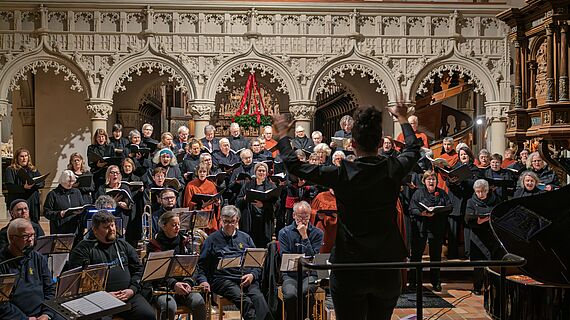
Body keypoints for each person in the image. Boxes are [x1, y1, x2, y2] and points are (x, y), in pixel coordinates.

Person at [273, 102, 421, 320]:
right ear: (381, 142)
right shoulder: (393, 168)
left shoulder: (342, 173)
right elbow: (413, 149)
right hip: (386, 265)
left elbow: (296, 167)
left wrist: (284, 136)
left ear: (351, 144)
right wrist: (402, 119)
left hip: (350, 266)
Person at [68, 210, 156, 320]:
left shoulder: (123, 245)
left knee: (148, 315)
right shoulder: (83, 249)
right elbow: (78, 280)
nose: (112, 230)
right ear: (95, 230)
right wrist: (105, 296)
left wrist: (132, 289)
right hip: (98, 299)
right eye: (106, 227)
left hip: (128, 295)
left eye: (113, 225)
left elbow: (138, 269)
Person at [196, 205, 271, 320]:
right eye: (226, 221)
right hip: (222, 279)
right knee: (244, 301)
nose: (229, 225)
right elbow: (201, 266)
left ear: (237, 221)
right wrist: (203, 281)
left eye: (232, 221)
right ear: (220, 220)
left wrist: (252, 275)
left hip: (245, 278)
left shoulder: (246, 238)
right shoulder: (211, 239)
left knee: (259, 299)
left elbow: (258, 263)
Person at [146, 211, 208, 320]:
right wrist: (174, 284)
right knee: (169, 307)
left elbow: (194, 267)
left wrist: (188, 282)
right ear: (164, 226)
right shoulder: (154, 245)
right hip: (163, 287)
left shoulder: (184, 241)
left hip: (184, 284)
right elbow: (156, 274)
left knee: (198, 302)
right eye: (173, 225)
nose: (177, 227)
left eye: (179, 224)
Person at [0, 218, 63, 320]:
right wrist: (24, 319)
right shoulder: (2, 263)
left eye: (32, 235)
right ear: (12, 238)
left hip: (43, 313)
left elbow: (50, 289)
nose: (31, 240)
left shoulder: (37, 257)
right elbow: (2, 303)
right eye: (25, 236)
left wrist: (47, 314)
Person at [278, 201, 323, 320]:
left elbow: (314, 257)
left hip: (309, 274)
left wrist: (305, 237)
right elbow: (285, 256)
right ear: (293, 216)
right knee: (291, 295)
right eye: (300, 217)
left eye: (306, 217)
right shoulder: (284, 233)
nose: (303, 220)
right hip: (290, 275)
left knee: (305, 293)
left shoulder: (317, 233)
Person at [408, 170, 451, 292]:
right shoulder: (418, 193)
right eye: (429, 180)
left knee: (436, 256)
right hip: (421, 227)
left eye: (433, 179)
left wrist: (439, 210)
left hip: (436, 228)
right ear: (424, 181)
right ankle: (413, 281)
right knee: (416, 256)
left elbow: (449, 207)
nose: (431, 182)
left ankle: (436, 282)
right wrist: (422, 213)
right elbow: (412, 208)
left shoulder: (442, 193)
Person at [464, 179, 505, 295]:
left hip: (491, 237)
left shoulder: (496, 200)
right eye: (478, 192)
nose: (480, 194)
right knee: (478, 264)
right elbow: (467, 219)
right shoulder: (470, 202)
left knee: (492, 263)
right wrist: (478, 221)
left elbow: (500, 216)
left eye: (482, 191)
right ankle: (477, 287)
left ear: (487, 191)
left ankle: (492, 287)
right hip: (477, 237)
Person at [445, 146, 479, 259]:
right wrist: (451, 181)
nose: (463, 156)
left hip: (467, 201)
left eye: (465, 154)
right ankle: (452, 255)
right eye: (461, 155)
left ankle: (469, 254)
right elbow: (448, 183)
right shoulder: (455, 167)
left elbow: (475, 184)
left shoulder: (474, 169)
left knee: (468, 230)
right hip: (455, 201)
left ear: (469, 156)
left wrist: (462, 180)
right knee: (452, 230)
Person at [236, 162, 279, 248]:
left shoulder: (272, 186)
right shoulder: (247, 185)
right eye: (259, 170)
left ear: (266, 173)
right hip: (250, 220)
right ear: (255, 172)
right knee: (249, 243)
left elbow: (277, 204)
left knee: (264, 244)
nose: (261, 173)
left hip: (265, 220)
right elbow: (238, 201)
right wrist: (244, 198)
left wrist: (263, 205)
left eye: (263, 171)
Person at [43, 170, 87, 244]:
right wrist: (60, 213)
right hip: (60, 229)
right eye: (68, 181)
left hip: (75, 230)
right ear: (62, 181)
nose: (70, 184)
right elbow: (46, 212)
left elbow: (82, 206)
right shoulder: (53, 194)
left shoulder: (76, 192)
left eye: (72, 181)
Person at [4, 147, 45, 223]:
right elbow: (10, 187)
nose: (24, 158)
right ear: (17, 158)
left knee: (34, 223)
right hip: (19, 201)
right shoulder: (10, 169)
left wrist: (35, 183)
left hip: (32, 201)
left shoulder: (33, 169)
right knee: (19, 224)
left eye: (26, 156)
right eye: (22, 156)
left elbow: (42, 183)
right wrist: (23, 187)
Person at [183, 163, 220, 231]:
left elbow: (215, 202)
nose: (202, 174)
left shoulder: (211, 185)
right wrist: (200, 205)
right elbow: (188, 204)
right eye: (200, 171)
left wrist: (217, 203)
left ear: (207, 173)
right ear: (197, 172)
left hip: (209, 216)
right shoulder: (190, 185)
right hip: (196, 216)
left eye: (204, 172)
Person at [310, 189, 337, 253]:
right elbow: (311, 211)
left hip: (337, 230)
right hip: (323, 229)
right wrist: (318, 215)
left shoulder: (344, 198)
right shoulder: (321, 196)